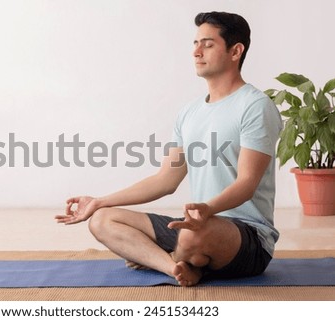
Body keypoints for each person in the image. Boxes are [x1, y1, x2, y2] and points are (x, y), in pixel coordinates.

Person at [55, 11, 283, 286]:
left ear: (235, 51)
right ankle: (175, 267)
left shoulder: (255, 106)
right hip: (197, 223)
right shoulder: (189, 113)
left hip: (246, 236)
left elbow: (247, 183)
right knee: (102, 220)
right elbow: (166, 180)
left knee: (191, 235)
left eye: (208, 44)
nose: (197, 52)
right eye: (195, 43)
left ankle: (170, 255)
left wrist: (208, 210)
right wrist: (99, 201)